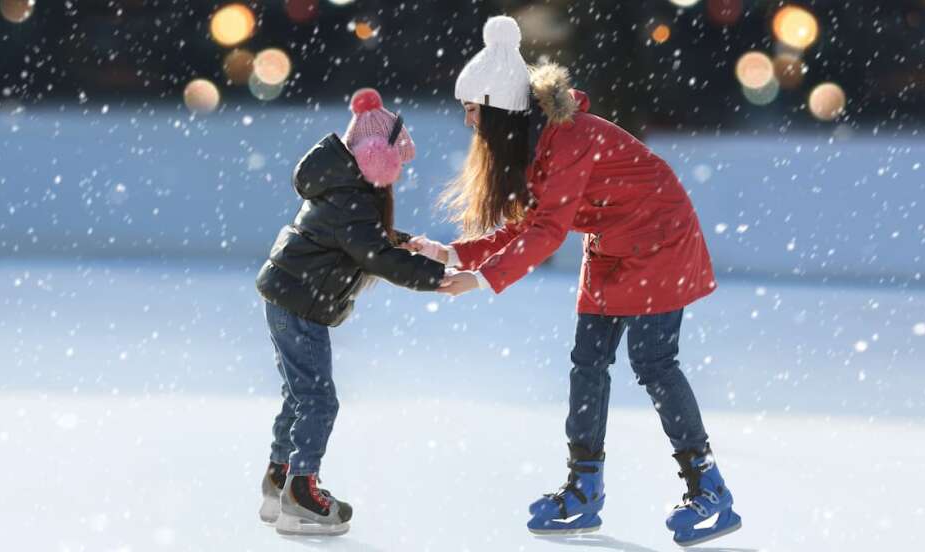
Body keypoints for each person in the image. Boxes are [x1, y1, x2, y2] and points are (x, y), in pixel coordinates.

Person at [408, 16, 741, 547]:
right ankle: (583, 489)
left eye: (471, 109)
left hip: (660, 240)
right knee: (587, 364)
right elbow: (528, 220)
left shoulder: (569, 139)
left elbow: (546, 232)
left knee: (653, 363)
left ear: (496, 107)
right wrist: (452, 252)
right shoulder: (533, 143)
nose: (468, 122)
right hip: (611, 247)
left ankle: (710, 490)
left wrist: (482, 280)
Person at [255, 88, 445, 536]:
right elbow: (371, 255)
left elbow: (364, 241)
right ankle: (302, 494)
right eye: (395, 160)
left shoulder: (343, 189)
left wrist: (401, 242)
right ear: (375, 156)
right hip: (299, 304)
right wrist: (433, 277)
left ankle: (280, 480)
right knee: (319, 400)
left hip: (289, 297)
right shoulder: (352, 198)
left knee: (300, 395)